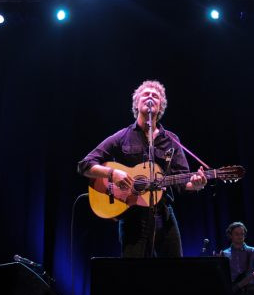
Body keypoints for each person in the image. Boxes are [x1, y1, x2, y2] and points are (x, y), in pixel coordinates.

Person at [78, 80, 207, 257]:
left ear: (161, 106)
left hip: (164, 214)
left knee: (175, 273)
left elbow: (183, 181)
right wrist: (113, 173)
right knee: (134, 276)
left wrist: (196, 185)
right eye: (146, 94)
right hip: (132, 217)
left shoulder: (171, 140)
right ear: (136, 103)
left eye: (155, 96)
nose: (150, 97)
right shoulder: (122, 136)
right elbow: (85, 165)